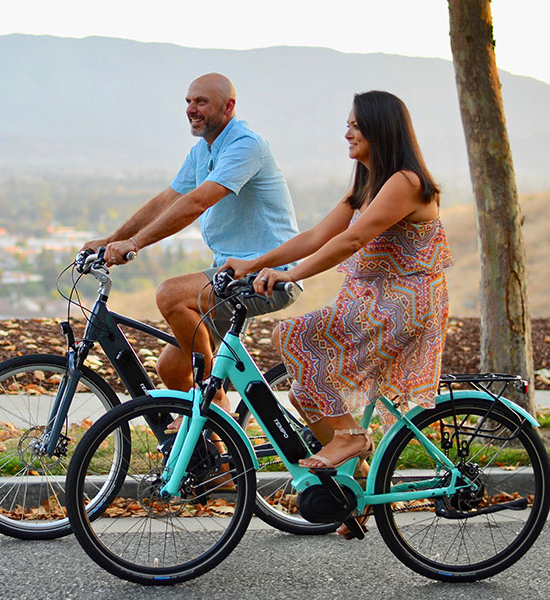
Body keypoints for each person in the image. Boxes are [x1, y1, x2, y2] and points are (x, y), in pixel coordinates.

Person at [222, 90, 452, 536]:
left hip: (404, 302)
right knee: (304, 393)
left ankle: (351, 440)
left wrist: (290, 277)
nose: (346, 131)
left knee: (292, 337)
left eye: (355, 124)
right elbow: (315, 236)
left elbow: (351, 241)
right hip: (370, 298)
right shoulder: (366, 185)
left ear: (379, 129)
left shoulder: (405, 181)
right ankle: (352, 488)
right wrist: (253, 264)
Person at [82, 73, 300, 422]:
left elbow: (198, 201)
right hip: (230, 277)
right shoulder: (203, 150)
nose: (191, 109)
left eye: (201, 102)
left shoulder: (245, 145)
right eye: (188, 101)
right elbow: (168, 199)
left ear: (229, 107)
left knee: (171, 295)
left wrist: (136, 243)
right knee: (171, 368)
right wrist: (110, 241)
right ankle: (222, 470)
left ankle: (213, 400)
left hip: (266, 274)